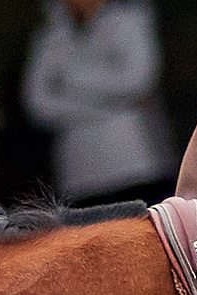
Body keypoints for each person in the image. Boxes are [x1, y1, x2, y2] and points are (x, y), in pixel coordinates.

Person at [21, 0, 172, 207]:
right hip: (79, 175)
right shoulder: (50, 36)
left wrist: (69, 81)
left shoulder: (130, 20)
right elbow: (38, 105)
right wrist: (113, 105)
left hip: (134, 164)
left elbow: (136, 81)